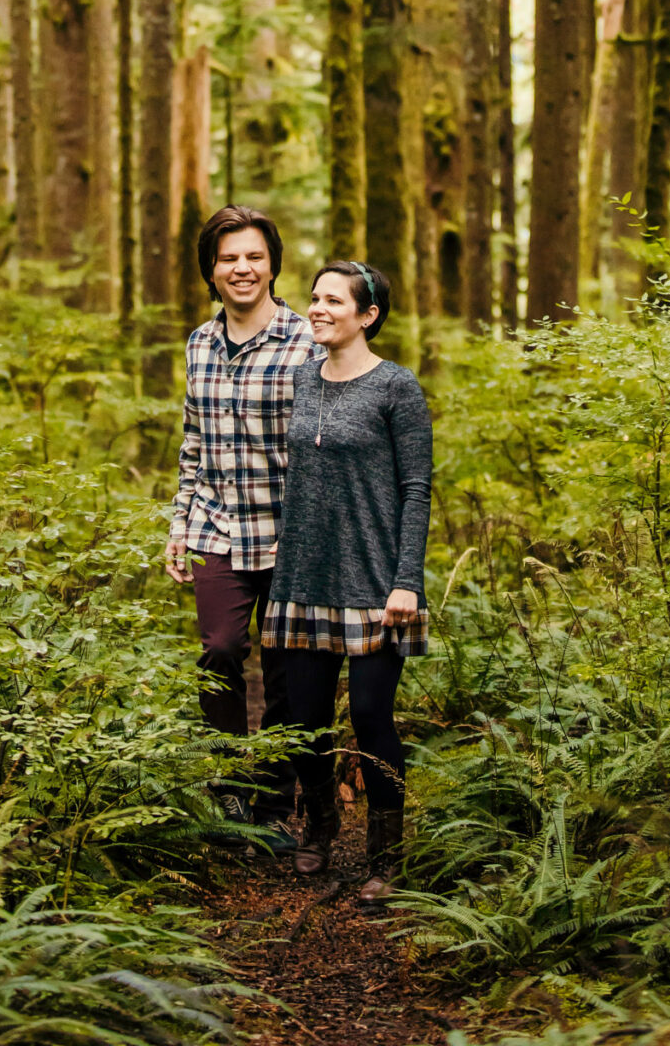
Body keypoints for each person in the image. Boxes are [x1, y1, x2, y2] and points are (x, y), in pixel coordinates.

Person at [262, 259, 433, 905]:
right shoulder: (304, 380)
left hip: (375, 580)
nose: (318, 308)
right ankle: (321, 827)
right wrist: (289, 527)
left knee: (369, 717)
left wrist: (406, 581)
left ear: (368, 315)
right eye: (314, 298)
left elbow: (415, 489)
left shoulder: (397, 388)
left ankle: (385, 855)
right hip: (304, 574)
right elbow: (300, 472)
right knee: (304, 723)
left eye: (334, 300)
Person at [166, 203, 319, 843]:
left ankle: (274, 805)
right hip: (215, 529)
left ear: (273, 265)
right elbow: (193, 442)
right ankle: (230, 794)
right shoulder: (200, 344)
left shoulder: (307, 342)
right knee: (220, 652)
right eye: (229, 258)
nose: (242, 268)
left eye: (254, 256)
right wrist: (179, 524)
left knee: (286, 671)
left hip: (290, 534)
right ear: (210, 269)